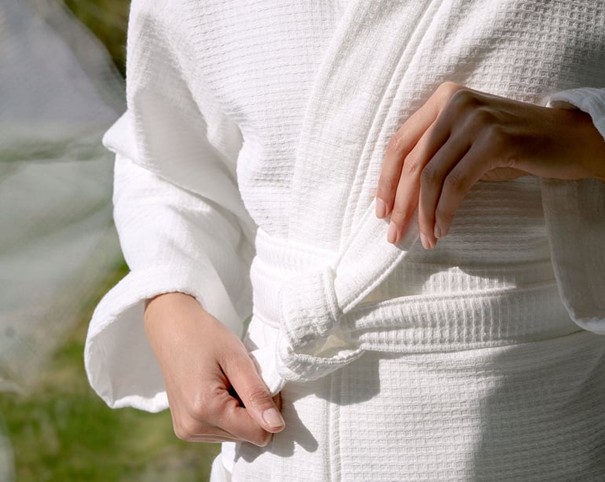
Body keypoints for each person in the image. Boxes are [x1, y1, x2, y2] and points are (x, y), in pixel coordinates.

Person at [85, 1, 605, 480]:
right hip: (282, 434)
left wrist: (584, 138)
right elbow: (164, 151)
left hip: (534, 420)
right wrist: (171, 302)